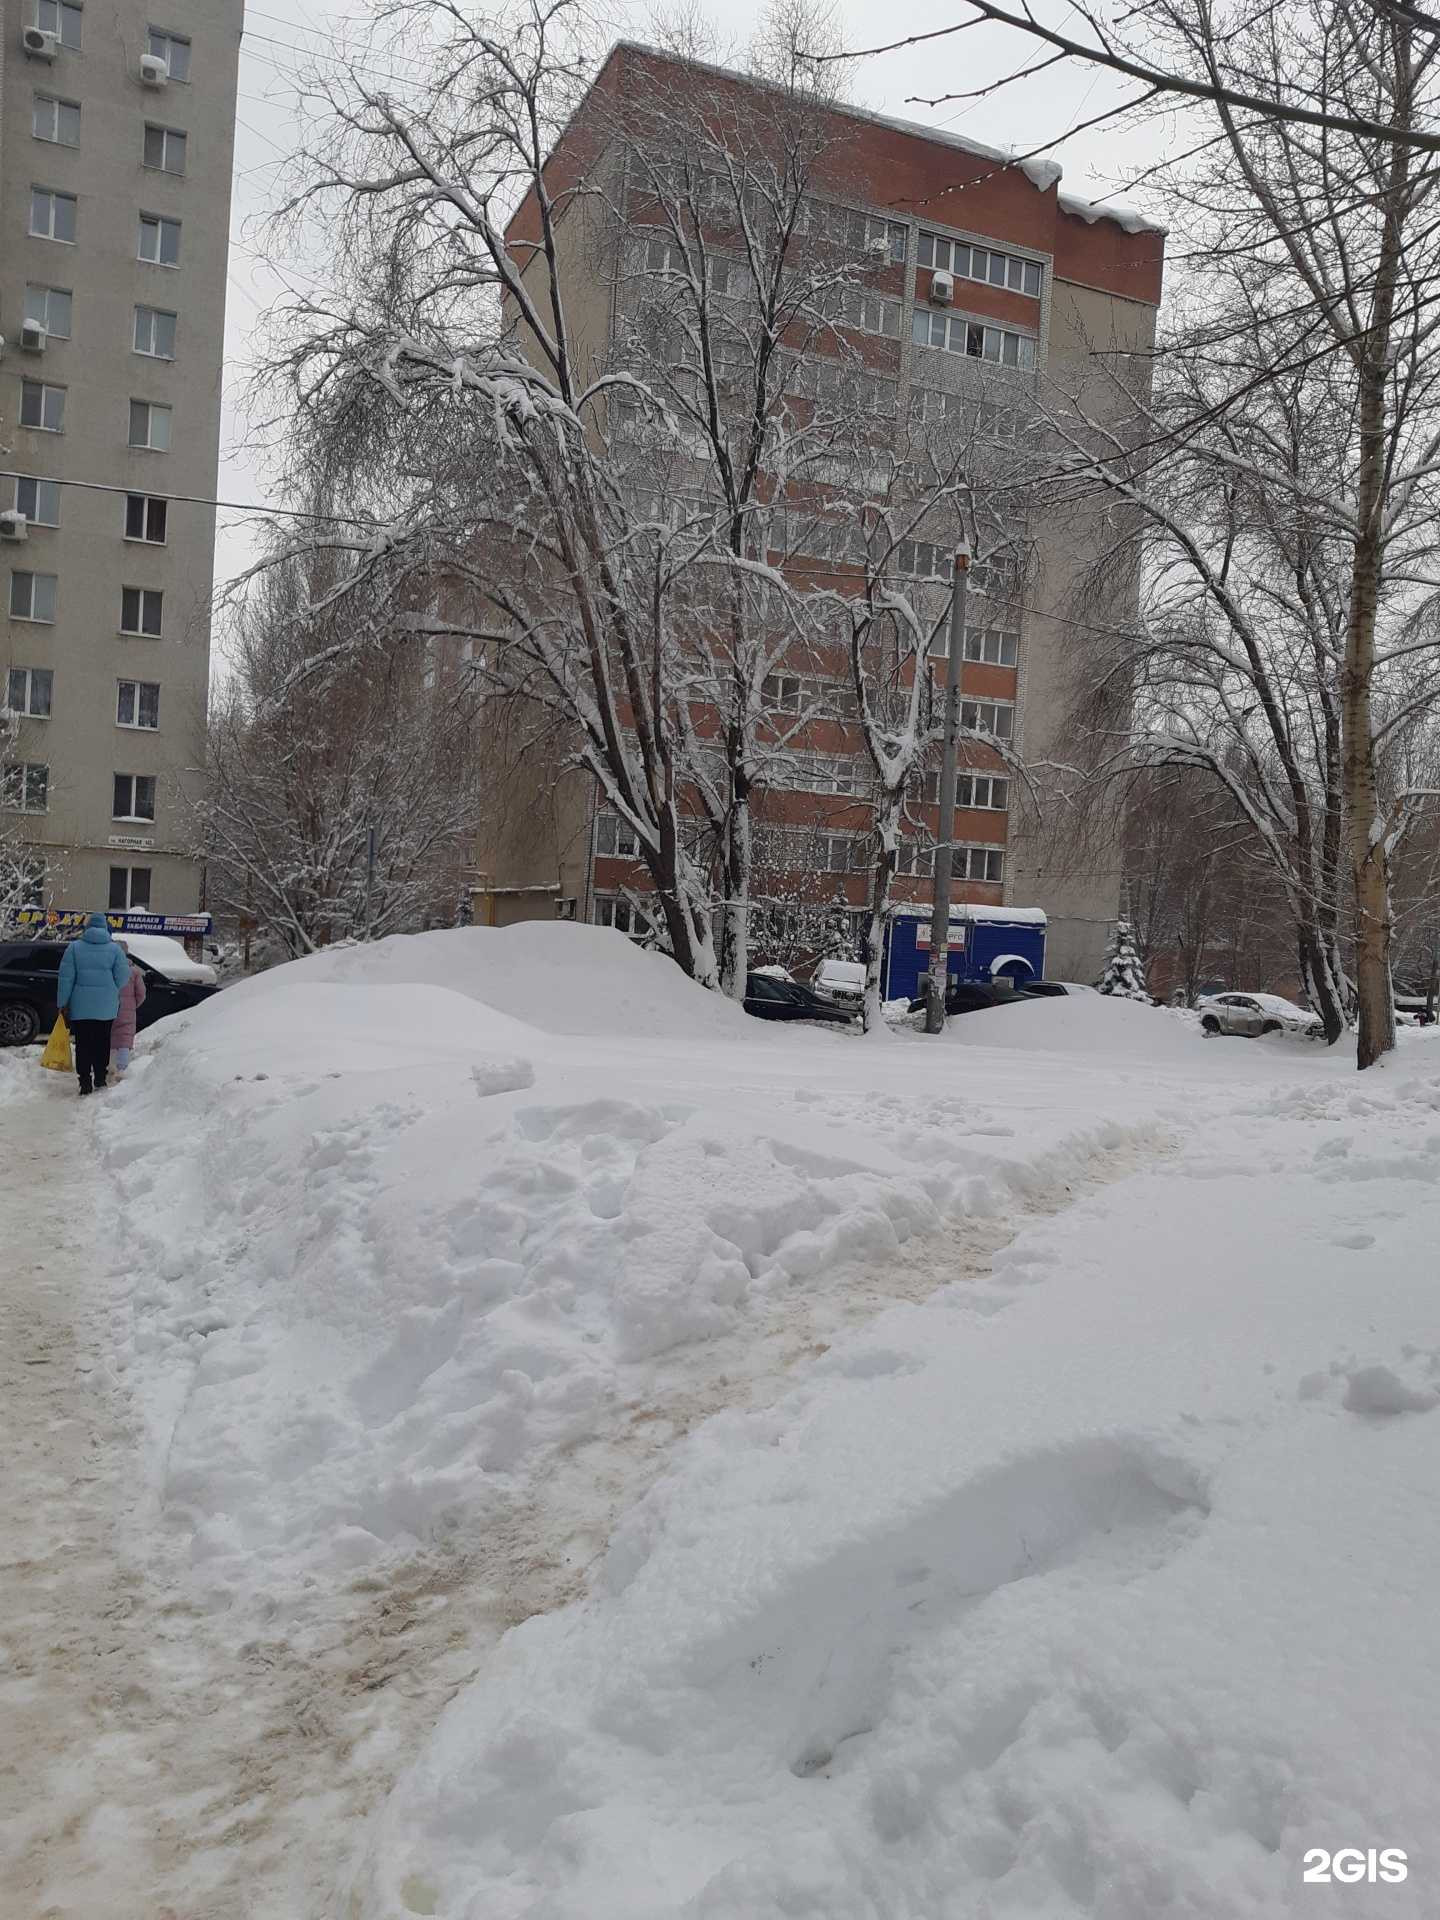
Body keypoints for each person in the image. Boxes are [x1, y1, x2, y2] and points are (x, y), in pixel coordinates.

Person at [56, 913, 130, 1096]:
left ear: (87, 928)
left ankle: (85, 1082)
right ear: (105, 928)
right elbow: (123, 977)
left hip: (81, 1007)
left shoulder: (74, 948)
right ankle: (99, 1077)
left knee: (83, 1044)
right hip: (106, 1006)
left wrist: (62, 1003)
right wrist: (111, 988)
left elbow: (65, 979)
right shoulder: (115, 950)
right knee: (102, 1041)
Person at [112, 955, 147, 1076]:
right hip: (127, 1011)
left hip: (107, 1008)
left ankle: (106, 1066)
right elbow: (141, 994)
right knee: (124, 1039)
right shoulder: (134, 972)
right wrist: (132, 1005)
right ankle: (122, 1068)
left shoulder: (108, 969)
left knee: (106, 1035)